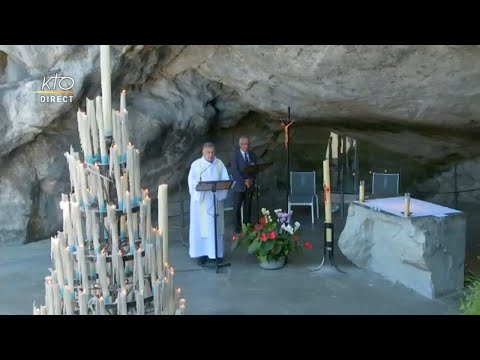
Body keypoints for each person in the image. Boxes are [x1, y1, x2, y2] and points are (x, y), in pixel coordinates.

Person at [188, 142, 230, 266]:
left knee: (216, 228)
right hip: (202, 203)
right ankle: (202, 254)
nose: (210, 155)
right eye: (208, 152)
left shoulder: (219, 164)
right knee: (202, 229)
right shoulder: (196, 165)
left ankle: (217, 254)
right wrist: (199, 187)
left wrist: (222, 188)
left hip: (215, 201)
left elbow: (225, 179)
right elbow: (192, 183)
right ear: (203, 152)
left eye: (212, 152)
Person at [231, 135, 257, 233]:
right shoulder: (235, 155)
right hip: (239, 185)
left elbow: (255, 169)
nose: (246, 146)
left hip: (249, 185)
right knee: (237, 207)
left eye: (247, 144)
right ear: (239, 144)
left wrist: (251, 180)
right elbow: (235, 171)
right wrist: (244, 181)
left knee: (248, 206)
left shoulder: (252, 155)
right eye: (243, 144)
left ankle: (247, 226)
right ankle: (237, 228)